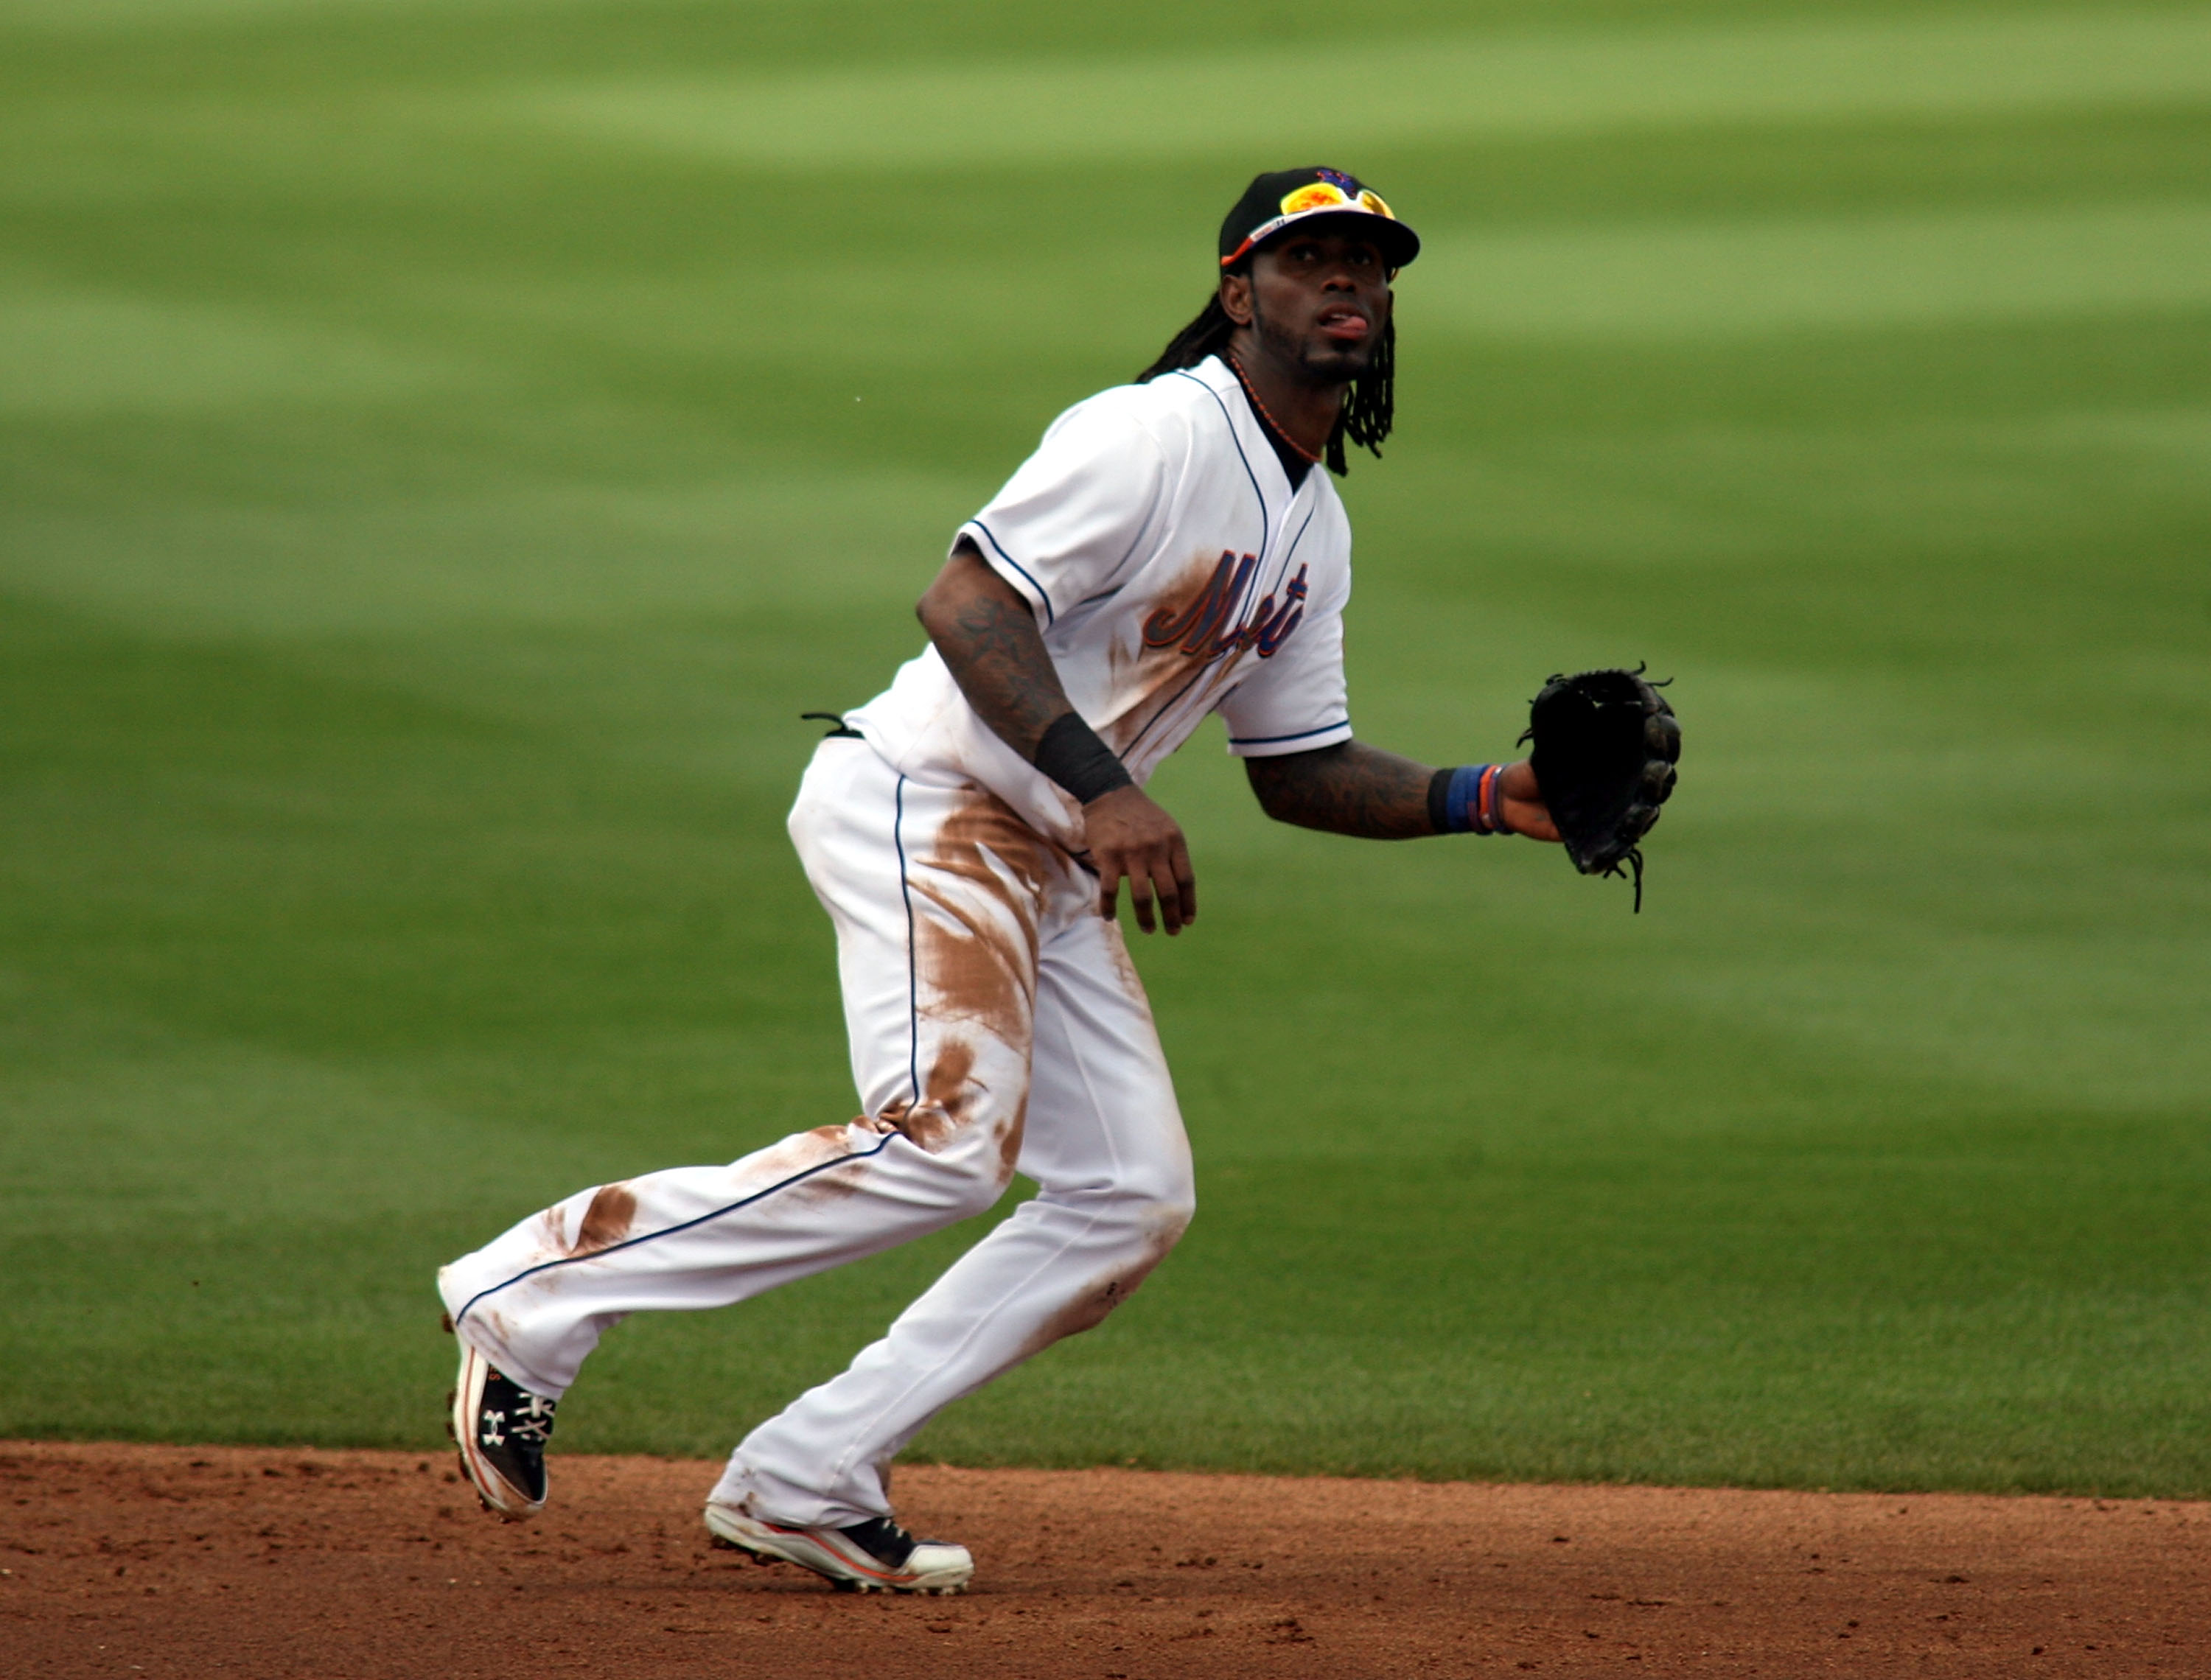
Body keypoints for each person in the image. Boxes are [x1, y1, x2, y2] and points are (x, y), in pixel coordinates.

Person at [437, 167, 1559, 1597]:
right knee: (944, 1145)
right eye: (1311, 259)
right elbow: (967, 603)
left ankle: (808, 1471)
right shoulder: (1151, 434)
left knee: (1127, 1197)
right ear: (1238, 293)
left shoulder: (1314, 527)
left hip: (1046, 853)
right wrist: (1107, 789)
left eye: (1371, 265)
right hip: (934, 801)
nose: (1349, 283)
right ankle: (529, 1298)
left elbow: (1299, 766)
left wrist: (1479, 799)